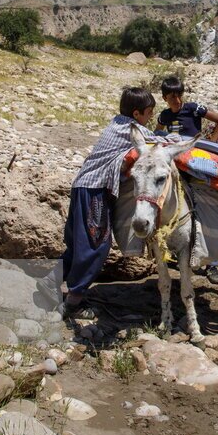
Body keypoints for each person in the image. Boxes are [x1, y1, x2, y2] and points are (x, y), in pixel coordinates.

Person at [59, 87, 160, 320]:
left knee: (77, 245)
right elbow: (156, 144)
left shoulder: (117, 123)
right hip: (95, 191)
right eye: (149, 113)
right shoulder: (133, 129)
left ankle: (48, 283)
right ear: (137, 114)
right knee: (97, 245)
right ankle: (73, 302)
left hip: (82, 187)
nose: (151, 117)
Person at [156, 76, 218, 284]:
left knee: (205, 206)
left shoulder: (192, 108)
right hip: (178, 164)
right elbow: (157, 132)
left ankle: (213, 264)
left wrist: (211, 143)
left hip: (197, 163)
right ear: (164, 98)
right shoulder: (164, 115)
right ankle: (174, 250)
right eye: (172, 97)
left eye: (179, 95)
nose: (177, 100)